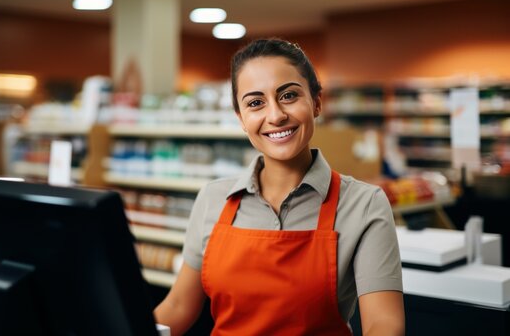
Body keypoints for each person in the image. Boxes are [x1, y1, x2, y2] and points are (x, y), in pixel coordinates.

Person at [154, 38, 405, 335]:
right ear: (241, 119)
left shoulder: (364, 204)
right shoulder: (213, 199)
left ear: (316, 103)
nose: (275, 116)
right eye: (255, 103)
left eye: (288, 96)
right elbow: (179, 307)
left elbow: (383, 325)